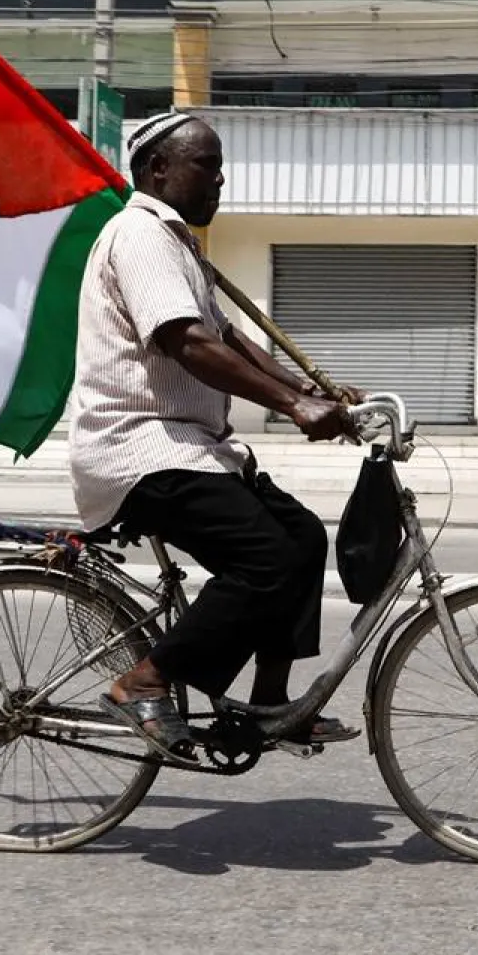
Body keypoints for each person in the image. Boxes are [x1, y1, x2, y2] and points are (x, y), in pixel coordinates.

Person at [70, 111, 367, 764]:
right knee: (263, 559)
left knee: (302, 537)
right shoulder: (139, 236)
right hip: (139, 448)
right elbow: (189, 342)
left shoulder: (180, 247)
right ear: (158, 170)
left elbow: (231, 340)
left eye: (219, 165)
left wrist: (320, 397)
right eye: (206, 164)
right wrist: (293, 406)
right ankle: (143, 682)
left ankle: (268, 705)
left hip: (192, 448)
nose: (221, 178)